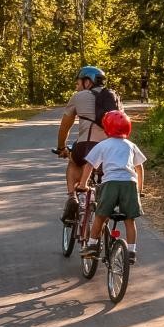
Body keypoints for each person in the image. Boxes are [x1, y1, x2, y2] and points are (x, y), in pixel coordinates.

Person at [78, 110, 146, 262]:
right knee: (130, 220)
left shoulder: (103, 145)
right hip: (129, 184)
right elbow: (139, 168)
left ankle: (92, 245)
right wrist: (139, 190)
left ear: (107, 127)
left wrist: (83, 184)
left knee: (101, 216)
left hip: (111, 184)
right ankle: (131, 252)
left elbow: (89, 165)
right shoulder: (131, 145)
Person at [56, 66, 108, 222]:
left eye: (78, 82)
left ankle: (72, 196)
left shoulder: (78, 97)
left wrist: (61, 148)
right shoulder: (113, 96)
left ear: (87, 81)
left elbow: (65, 125)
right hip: (110, 148)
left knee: (74, 162)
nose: (76, 86)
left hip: (86, 145)